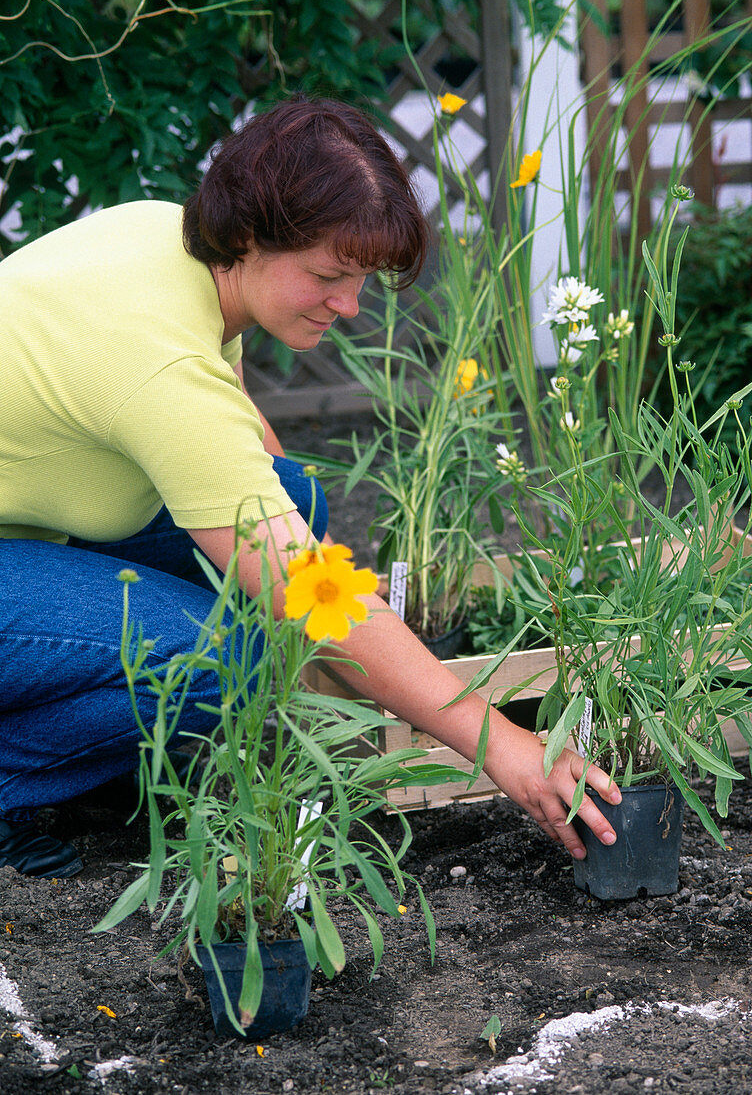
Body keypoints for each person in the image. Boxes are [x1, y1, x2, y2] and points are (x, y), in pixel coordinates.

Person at [0, 98, 620, 880]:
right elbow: (305, 587)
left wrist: (296, 549)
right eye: (328, 276)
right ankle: (12, 775)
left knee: (297, 500)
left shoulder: (167, 236)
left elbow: (240, 436)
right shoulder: (157, 367)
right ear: (249, 239)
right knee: (230, 654)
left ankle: (113, 735)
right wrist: (505, 744)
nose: (349, 306)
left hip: (28, 522)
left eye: (359, 280)